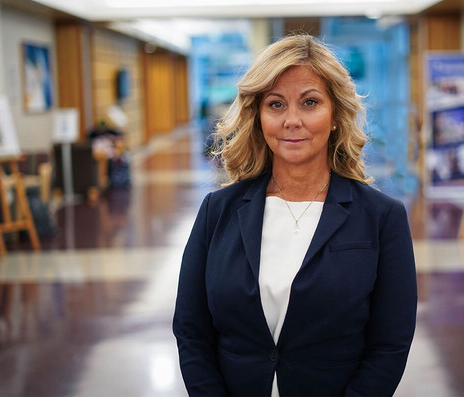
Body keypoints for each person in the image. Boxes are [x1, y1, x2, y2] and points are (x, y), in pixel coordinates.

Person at [173, 34, 417, 396]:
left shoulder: (382, 218)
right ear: (258, 117)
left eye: (310, 102)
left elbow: (389, 346)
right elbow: (192, 331)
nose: (292, 120)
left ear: (335, 115)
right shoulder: (217, 212)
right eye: (275, 105)